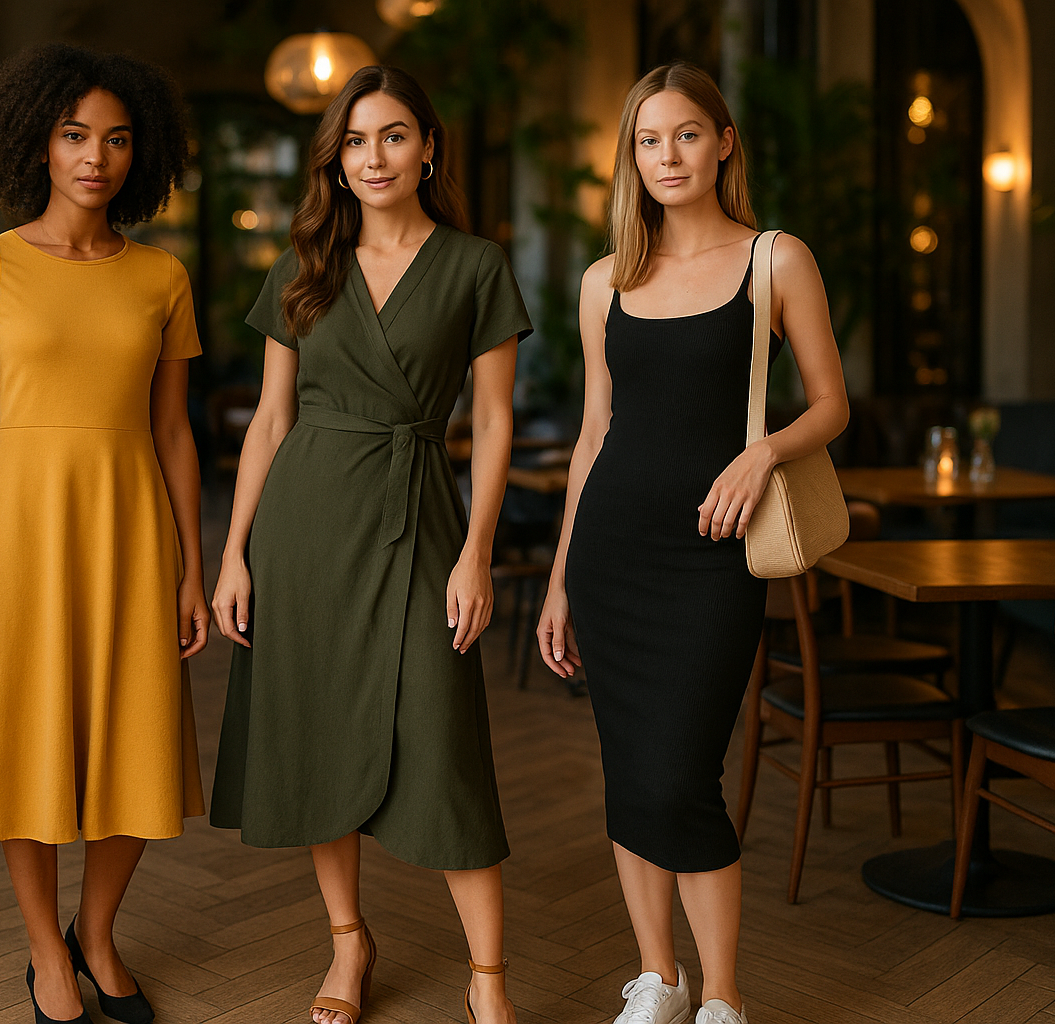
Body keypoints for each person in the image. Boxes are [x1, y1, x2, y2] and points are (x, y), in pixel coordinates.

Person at [209, 65, 531, 1024]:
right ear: (334, 160)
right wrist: (234, 554)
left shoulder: (476, 265)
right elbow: (268, 423)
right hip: (304, 524)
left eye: (393, 135)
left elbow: (496, 421)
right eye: (353, 141)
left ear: (429, 147)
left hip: (423, 512)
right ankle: (348, 946)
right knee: (313, 736)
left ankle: (489, 980)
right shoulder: (303, 264)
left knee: (445, 738)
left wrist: (477, 552)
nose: (373, 157)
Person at [537, 62, 849, 1024]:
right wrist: (556, 584)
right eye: (647, 139)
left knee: (681, 771)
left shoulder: (775, 261)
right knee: (630, 767)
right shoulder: (606, 282)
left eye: (684, 134)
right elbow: (594, 435)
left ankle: (723, 997)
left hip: (715, 560)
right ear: (631, 157)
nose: (666, 155)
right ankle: (658, 980)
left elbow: (835, 405)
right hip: (611, 555)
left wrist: (762, 454)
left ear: (722, 143)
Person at [0, 43, 209, 1024]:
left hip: (130, 530)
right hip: (16, 533)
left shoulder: (163, 276)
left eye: (118, 139)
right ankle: (45, 949)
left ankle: (99, 930)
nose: (96, 156)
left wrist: (194, 570)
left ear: (142, 154)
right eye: (76, 134)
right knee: (22, 740)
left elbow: (174, 432)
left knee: (135, 739)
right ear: (38, 141)